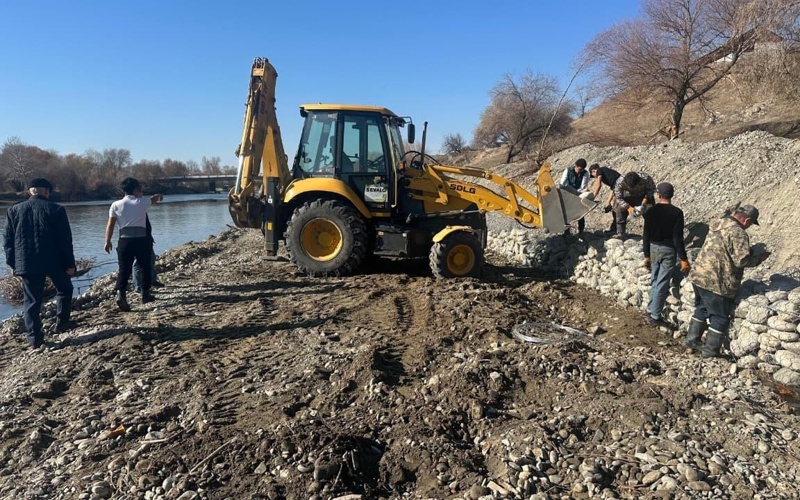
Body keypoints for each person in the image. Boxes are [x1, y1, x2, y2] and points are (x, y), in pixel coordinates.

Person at [685, 204, 770, 358]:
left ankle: (692, 340)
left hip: (699, 274)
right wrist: (759, 258)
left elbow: (724, 247)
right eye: (750, 223)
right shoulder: (738, 232)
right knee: (719, 317)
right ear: (747, 220)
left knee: (702, 308)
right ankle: (710, 352)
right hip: (717, 281)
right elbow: (741, 261)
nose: (749, 227)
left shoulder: (719, 223)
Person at [3, 178, 76, 348]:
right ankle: (62, 323)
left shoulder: (13, 210)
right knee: (65, 289)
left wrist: (13, 264)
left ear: (30, 191)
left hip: (27, 261)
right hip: (54, 261)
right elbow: (65, 240)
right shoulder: (56, 209)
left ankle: (34, 337)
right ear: (46, 191)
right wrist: (70, 264)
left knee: (32, 300)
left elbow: (8, 241)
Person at [105, 178, 162, 311]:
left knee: (124, 270)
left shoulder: (115, 205)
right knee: (144, 267)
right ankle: (145, 294)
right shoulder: (141, 202)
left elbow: (110, 224)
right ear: (136, 189)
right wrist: (158, 196)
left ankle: (121, 295)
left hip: (124, 240)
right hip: (142, 240)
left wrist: (107, 241)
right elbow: (153, 200)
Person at [642, 182, 690, 328]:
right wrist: (683, 259)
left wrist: (646, 255)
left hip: (653, 248)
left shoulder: (650, 212)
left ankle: (651, 309)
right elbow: (678, 238)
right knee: (662, 282)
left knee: (655, 279)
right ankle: (655, 315)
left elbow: (646, 234)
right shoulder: (676, 213)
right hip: (668, 251)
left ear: (659, 195)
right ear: (672, 195)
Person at [612, 171, 656, 238]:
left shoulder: (645, 178)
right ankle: (620, 233)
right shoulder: (620, 181)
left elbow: (652, 189)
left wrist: (645, 200)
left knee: (650, 211)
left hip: (644, 196)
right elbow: (618, 197)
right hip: (629, 197)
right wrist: (628, 208)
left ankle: (652, 233)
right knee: (620, 208)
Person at [557, 158, 590, 232]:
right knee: (567, 213)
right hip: (567, 193)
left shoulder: (585, 173)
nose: (580, 171)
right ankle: (566, 232)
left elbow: (583, 187)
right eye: (579, 169)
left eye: (582, 170)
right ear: (576, 166)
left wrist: (576, 193)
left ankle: (581, 231)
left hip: (578, 194)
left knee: (580, 213)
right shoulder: (568, 170)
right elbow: (562, 184)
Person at [132, 215, 163, 292]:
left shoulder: (142, 210)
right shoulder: (131, 211)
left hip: (147, 238)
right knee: (137, 264)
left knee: (151, 258)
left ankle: (152, 280)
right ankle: (138, 286)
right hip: (136, 239)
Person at [588, 163, 622, 233]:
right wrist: (608, 201)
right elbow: (614, 188)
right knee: (616, 207)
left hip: (620, 186)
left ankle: (618, 231)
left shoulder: (599, 170)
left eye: (593, 175)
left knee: (617, 209)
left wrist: (593, 197)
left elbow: (598, 184)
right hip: (620, 186)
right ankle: (615, 229)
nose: (595, 177)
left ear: (593, 171)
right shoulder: (610, 175)